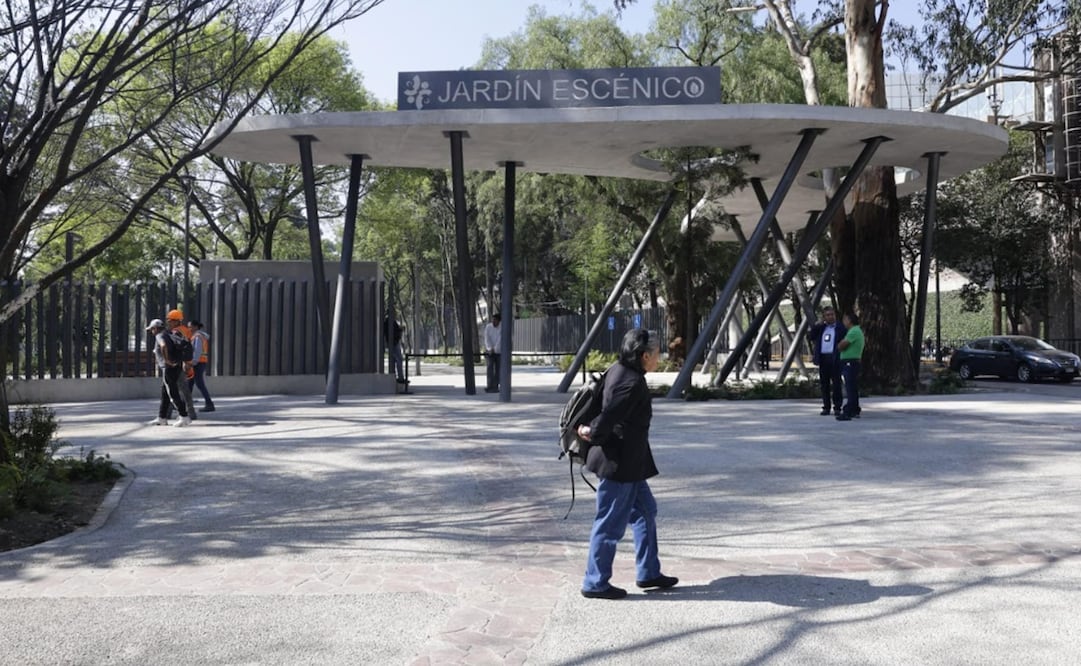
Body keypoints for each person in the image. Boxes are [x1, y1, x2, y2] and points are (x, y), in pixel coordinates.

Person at [576, 328, 677, 600]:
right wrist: (590, 431)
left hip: (630, 462)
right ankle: (595, 582)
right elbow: (609, 416)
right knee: (609, 523)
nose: (659, 359)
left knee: (645, 511)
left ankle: (649, 572)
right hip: (618, 464)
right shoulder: (630, 382)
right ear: (644, 356)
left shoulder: (618, 370)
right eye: (657, 354)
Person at [146, 318, 191, 427]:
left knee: (172, 393)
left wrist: (166, 360)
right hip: (176, 365)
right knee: (165, 393)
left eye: (152, 329)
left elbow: (163, 345)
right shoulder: (169, 334)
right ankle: (162, 417)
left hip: (168, 368)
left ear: (155, 328)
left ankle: (184, 416)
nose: (151, 332)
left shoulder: (160, 335)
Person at [809, 306, 846, 416]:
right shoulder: (821, 328)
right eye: (827, 315)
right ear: (824, 317)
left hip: (835, 358)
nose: (830, 317)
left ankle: (837, 407)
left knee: (836, 384)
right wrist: (818, 325)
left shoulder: (840, 327)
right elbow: (811, 336)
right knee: (824, 384)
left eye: (832, 314)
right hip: (823, 358)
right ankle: (826, 407)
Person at [167, 309, 197, 421]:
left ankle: (168, 413)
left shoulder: (176, 332)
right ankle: (190, 412)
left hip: (178, 363)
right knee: (182, 389)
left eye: (170, 320)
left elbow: (181, 348)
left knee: (172, 388)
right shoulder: (186, 330)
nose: (169, 323)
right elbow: (189, 347)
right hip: (184, 362)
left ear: (176, 321)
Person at [836, 312, 865, 422]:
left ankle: (848, 411)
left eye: (845, 320)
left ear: (849, 320)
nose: (843, 322)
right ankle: (855, 409)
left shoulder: (853, 331)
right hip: (853, 362)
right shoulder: (856, 331)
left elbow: (842, 345)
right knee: (853, 387)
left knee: (850, 387)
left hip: (850, 362)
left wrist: (839, 345)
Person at [188, 320, 215, 412]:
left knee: (199, 383)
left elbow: (197, 350)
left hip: (198, 363)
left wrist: (193, 362)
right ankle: (185, 403)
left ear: (196, 327)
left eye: (190, 326)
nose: (189, 328)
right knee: (190, 383)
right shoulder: (200, 336)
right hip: (200, 362)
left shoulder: (197, 336)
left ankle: (209, 404)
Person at [383, 313, 407, 384]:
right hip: (394, 343)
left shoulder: (389, 321)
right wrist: (401, 329)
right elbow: (394, 331)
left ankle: (395, 376)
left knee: (394, 360)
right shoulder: (390, 321)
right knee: (399, 360)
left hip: (393, 343)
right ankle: (400, 378)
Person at [483, 313, 501, 393]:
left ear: (499, 321)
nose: (493, 322)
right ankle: (489, 386)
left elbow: (500, 340)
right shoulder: (488, 327)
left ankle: (495, 386)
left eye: (495, 321)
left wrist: (495, 349)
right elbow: (487, 339)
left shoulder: (502, 327)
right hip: (490, 351)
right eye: (493, 320)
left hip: (499, 351)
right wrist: (490, 348)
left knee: (498, 369)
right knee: (489, 368)